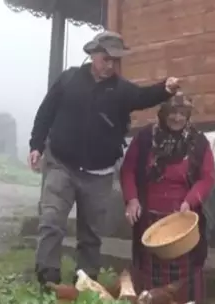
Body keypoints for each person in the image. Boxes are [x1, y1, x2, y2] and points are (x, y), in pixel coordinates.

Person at [28, 30, 181, 286]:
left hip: (98, 174)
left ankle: (85, 281)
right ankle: (48, 278)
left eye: (115, 60)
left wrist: (164, 89)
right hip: (61, 164)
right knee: (51, 221)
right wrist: (36, 145)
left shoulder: (121, 90)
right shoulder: (69, 80)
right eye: (105, 58)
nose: (110, 65)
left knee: (91, 234)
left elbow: (143, 97)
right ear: (93, 54)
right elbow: (46, 112)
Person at [119, 92, 215, 304]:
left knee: (188, 268)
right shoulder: (145, 139)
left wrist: (190, 201)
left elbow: (207, 177)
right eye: (172, 112)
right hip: (150, 219)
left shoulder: (198, 142)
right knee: (149, 268)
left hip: (182, 218)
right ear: (162, 114)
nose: (176, 117)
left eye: (182, 113)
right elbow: (128, 170)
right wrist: (132, 199)